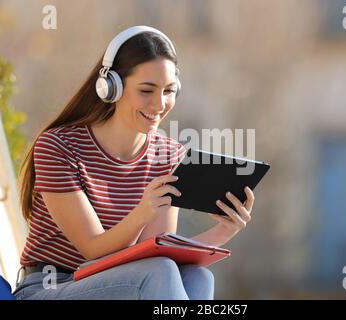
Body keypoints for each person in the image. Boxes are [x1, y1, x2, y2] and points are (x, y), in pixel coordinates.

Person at [13, 25, 255, 300]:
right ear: (111, 88)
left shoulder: (168, 156)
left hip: (123, 282)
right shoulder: (58, 147)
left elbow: (155, 251)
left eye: (169, 91)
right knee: (160, 272)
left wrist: (223, 231)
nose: (159, 104)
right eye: (146, 90)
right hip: (49, 288)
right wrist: (142, 212)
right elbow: (93, 250)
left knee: (196, 274)